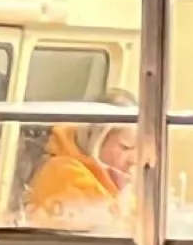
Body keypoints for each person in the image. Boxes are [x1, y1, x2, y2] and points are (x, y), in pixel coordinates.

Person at [24, 97, 136, 233]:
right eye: (125, 147)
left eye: (139, 150)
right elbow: (103, 229)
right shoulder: (64, 171)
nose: (134, 159)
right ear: (96, 140)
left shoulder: (117, 182)